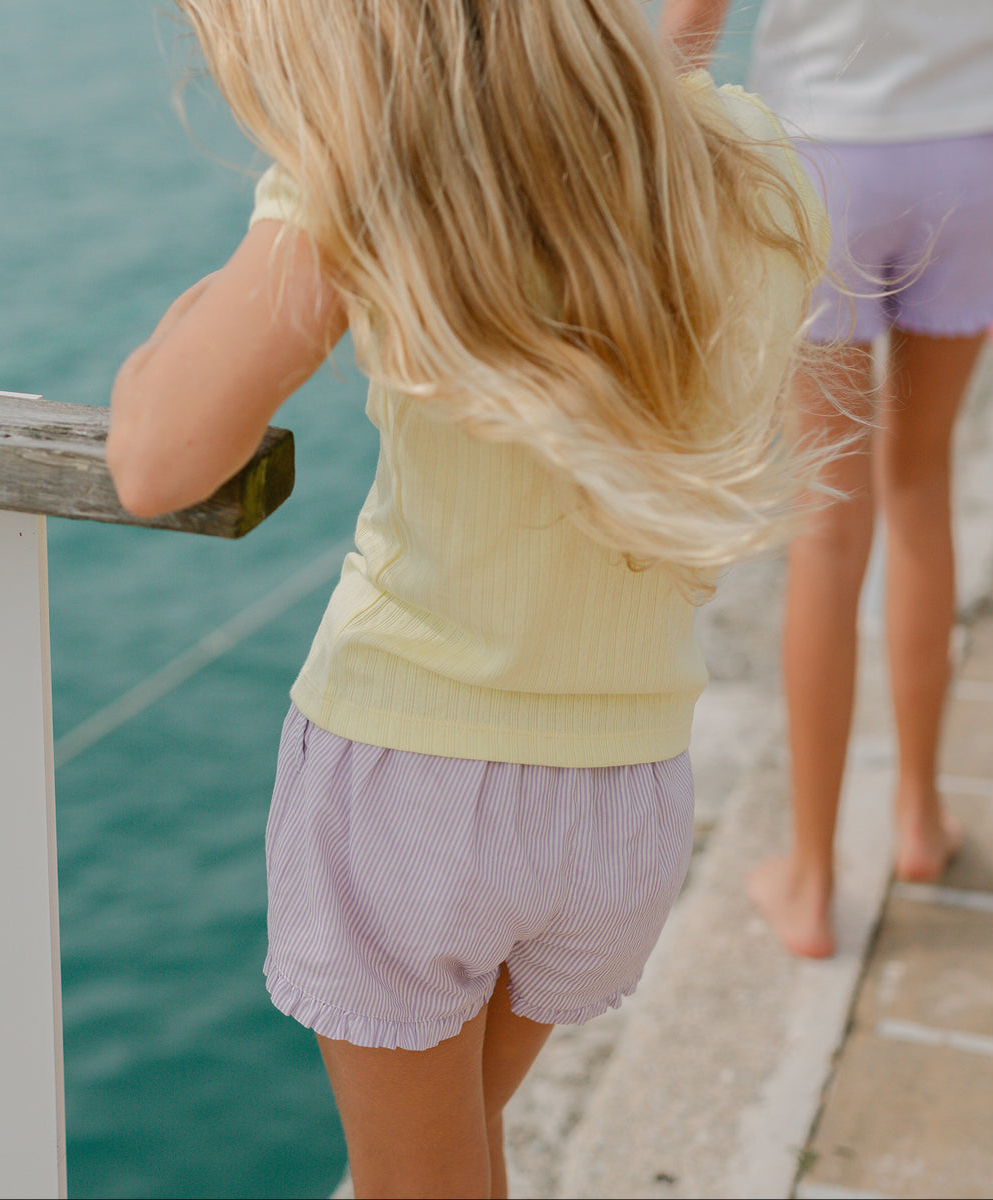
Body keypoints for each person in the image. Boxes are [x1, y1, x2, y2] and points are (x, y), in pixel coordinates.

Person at [106, 2, 828, 1195]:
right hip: (625, 793)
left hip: (413, 785)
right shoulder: (751, 155)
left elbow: (156, 457)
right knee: (459, 1154)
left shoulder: (381, 166)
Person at [660, 0, 993, 959]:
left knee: (827, 522)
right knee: (921, 482)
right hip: (971, 152)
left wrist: (603, 145)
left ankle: (811, 883)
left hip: (830, 157)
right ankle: (921, 819)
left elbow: (691, 21)